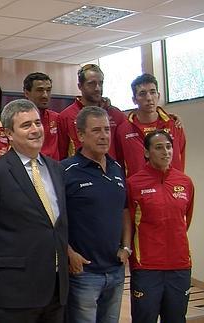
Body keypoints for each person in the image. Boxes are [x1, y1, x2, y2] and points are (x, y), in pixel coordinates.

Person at [0, 99, 69, 323]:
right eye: (26, 125)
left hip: (55, 288)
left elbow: (57, 225)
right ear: (8, 134)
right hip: (13, 290)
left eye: (37, 123)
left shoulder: (56, 169)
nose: (35, 130)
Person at [61, 106, 131, 323]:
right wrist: (69, 253)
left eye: (107, 130)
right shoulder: (65, 170)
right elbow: (52, 219)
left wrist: (126, 247)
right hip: (84, 273)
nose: (104, 136)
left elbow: (124, 210)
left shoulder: (116, 168)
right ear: (80, 135)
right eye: (96, 131)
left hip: (115, 270)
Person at [127, 130, 194, 323]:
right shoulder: (133, 184)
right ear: (147, 153)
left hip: (179, 266)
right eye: (158, 147)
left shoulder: (185, 182)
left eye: (168, 146)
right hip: (147, 268)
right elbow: (129, 224)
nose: (166, 152)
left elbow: (184, 221)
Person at [117, 73, 186, 176]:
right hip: (139, 189)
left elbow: (181, 158)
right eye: (142, 93)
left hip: (171, 188)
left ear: (158, 96)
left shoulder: (174, 125)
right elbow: (120, 164)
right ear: (134, 100)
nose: (149, 98)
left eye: (152, 92)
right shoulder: (123, 130)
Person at [57, 64, 126, 164]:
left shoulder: (116, 114)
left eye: (100, 83)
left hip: (112, 172)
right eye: (92, 84)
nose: (97, 88)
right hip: (79, 174)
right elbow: (62, 155)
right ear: (80, 86)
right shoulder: (66, 117)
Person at [23, 72, 60, 160]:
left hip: (54, 170)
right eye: (40, 90)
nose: (45, 95)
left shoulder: (57, 118)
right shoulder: (17, 121)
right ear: (26, 93)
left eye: (48, 90)